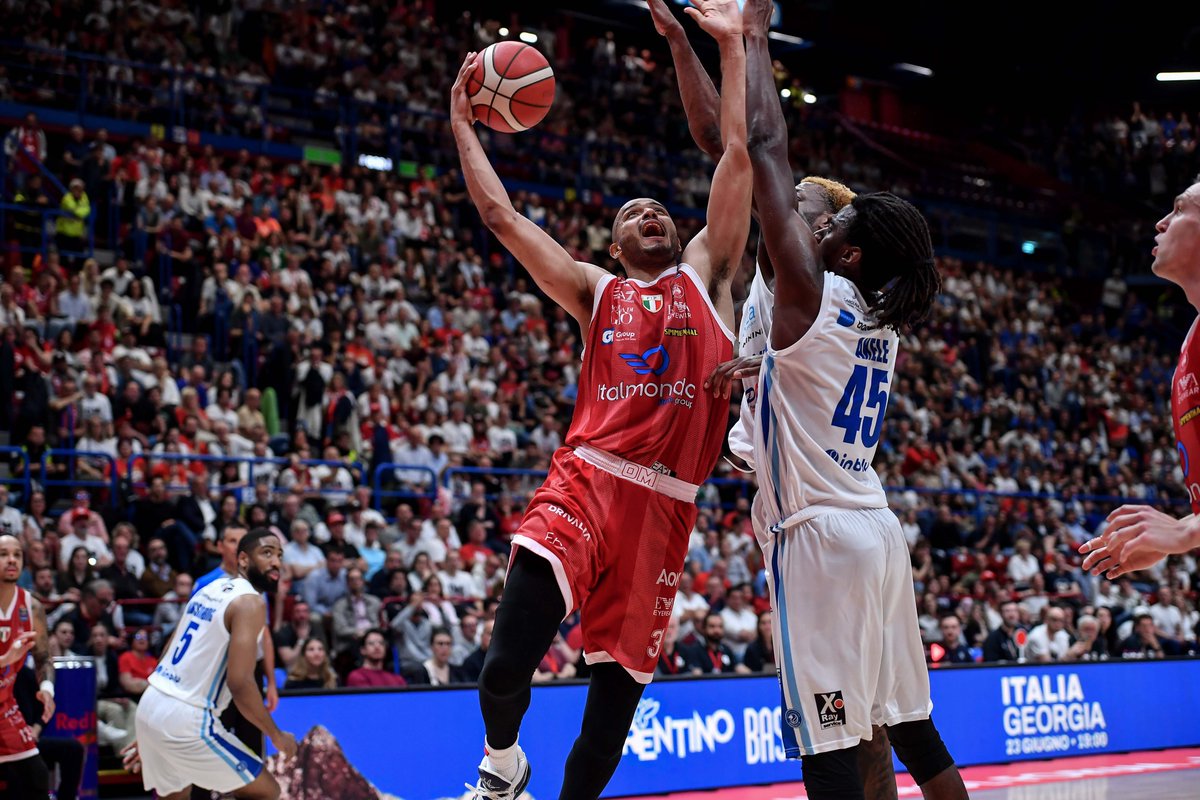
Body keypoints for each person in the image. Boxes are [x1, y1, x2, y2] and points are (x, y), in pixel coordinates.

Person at [450, 0, 752, 795]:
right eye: (631, 214)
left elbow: (738, 154)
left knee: (607, 724)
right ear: (614, 244)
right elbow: (501, 217)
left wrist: (721, 46)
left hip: (664, 509)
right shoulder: (594, 290)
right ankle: (502, 765)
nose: (650, 213)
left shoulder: (706, 277)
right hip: (587, 479)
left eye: (658, 209)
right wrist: (464, 126)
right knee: (504, 663)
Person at [737, 0, 968, 796]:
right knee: (910, 725)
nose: (817, 229)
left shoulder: (811, 294)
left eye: (833, 226)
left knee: (825, 741)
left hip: (823, 541)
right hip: (875, 523)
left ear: (849, 250)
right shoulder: (879, 317)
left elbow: (766, 145)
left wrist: (754, 32)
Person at [1080, 178, 1200, 576]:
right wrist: (1184, 531)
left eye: (1181, 209)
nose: (1161, 223)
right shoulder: (1190, 344)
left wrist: (1184, 533)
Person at [131, 528, 297, 799]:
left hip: (153, 703)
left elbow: (168, 648)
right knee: (266, 792)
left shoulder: (210, 588)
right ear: (243, 559)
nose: (276, 562)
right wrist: (276, 736)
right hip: (187, 717)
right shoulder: (250, 602)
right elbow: (240, 682)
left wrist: (150, 729)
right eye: (267, 553)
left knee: (177, 795)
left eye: (279, 555)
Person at [0, 535, 56, 797]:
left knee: (37, 778)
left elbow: (43, 657)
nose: (11, 560)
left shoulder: (31, 606)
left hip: (5, 708)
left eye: (17, 554)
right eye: (3, 554)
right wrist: (5, 660)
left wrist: (46, 688)